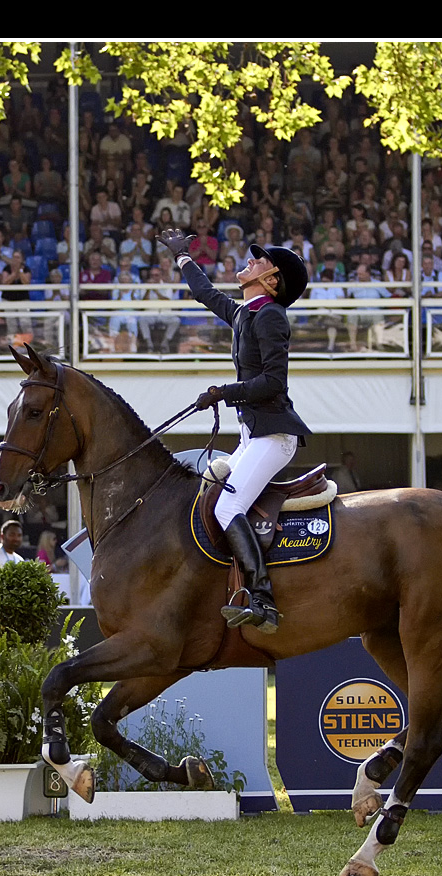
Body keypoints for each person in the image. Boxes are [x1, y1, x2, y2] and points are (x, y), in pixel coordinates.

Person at [160, 228, 310, 633]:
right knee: (212, 494)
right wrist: (183, 259)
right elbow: (206, 295)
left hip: (274, 437)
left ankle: (263, 599)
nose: (249, 261)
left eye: (258, 260)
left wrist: (224, 392)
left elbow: (274, 382)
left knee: (227, 506)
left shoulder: (271, 316)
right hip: (252, 436)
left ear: (271, 280)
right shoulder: (246, 313)